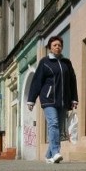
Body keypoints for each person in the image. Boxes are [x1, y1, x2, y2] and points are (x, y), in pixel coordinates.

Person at [27, 36, 78, 164]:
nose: (57, 47)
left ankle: (49, 155)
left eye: (59, 45)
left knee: (58, 128)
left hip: (63, 100)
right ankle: (55, 152)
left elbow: (72, 81)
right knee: (53, 123)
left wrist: (74, 98)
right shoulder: (45, 62)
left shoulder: (67, 63)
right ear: (50, 47)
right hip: (48, 99)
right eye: (55, 45)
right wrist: (31, 100)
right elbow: (37, 80)